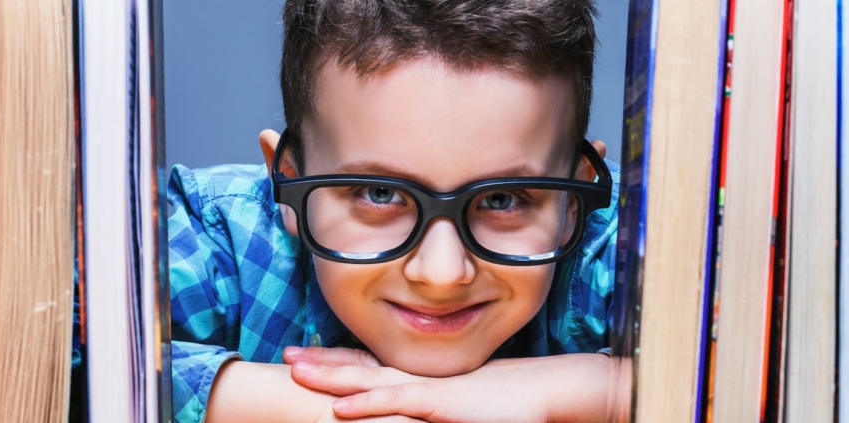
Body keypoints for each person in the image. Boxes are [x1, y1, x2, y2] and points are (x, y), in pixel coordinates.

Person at [169, 0, 619, 421]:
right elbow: (106, 356)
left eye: (502, 199)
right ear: (284, 183)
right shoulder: (221, 233)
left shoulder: (629, 244)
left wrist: (585, 390)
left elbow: (693, 367)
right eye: (380, 193)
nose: (442, 274)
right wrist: (325, 412)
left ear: (575, 204)